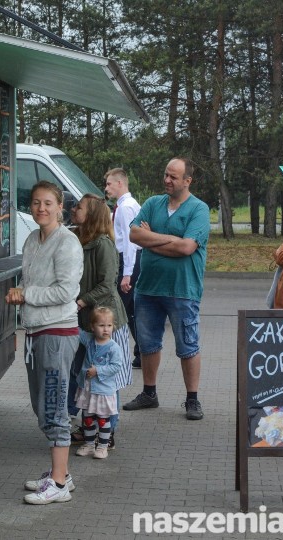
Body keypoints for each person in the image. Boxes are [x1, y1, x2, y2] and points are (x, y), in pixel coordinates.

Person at [6, 180, 83, 505]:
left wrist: (27, 295)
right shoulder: (32, 239)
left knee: (53, 406)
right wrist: (19, 292)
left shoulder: (67, 243)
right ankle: (60, 473)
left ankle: (59, 485)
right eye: (36, 202)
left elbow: (68, 292)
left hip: (57, 333)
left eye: (48, 203)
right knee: (41, 406)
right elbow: (30, 280)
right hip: (35, 332)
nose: (41, 208)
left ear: (60, 206)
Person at [123, 157, 210, 420]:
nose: (167, 180)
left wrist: (153, 240)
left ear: (187, 181)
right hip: (147, 288)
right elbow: (135, 235)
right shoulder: (152, 203)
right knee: (148, 344)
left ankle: (192, 399)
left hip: (183, 290)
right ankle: (149, 393)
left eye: (173, 176)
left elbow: (187, 248)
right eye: (166, 174)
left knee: (188, 345)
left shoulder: (199, 209)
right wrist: (171, 239)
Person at [68, 194, 131, 448]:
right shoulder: (79, 239)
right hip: (87, 322)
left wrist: (81, 301)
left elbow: (107, 284)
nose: (74, 210)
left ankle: (109, 431)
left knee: (107, 379)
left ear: (92, 213)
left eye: (79, 207)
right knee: (85, 376)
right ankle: (89, 428)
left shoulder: (103, 243)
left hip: (106, 321)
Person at [104, 168, 142, 368]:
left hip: (128, 261)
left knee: (120, 309)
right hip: (129, 260)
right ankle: (142, 352)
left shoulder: (126, 207)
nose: (106, 188)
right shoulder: (125, 205)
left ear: (120, 183)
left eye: (109, 184)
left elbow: (130, 242)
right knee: (131, 310)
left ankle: (135, 352)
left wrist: (127, 273)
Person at [74, 307, 123, 460]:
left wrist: (99, 371)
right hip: (88, 388)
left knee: (103, 419)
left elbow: (116, 366)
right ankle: (89, 444)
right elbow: (77, 332)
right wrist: (69, 313)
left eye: (109, 325)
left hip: (103, 389)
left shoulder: (113, 347)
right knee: (87, 417)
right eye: (101, 325)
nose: (105, 329)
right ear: (92, 327)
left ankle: (102, 446)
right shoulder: (89, 339)